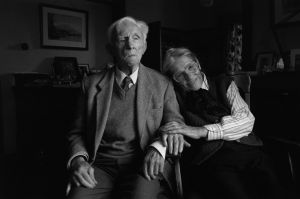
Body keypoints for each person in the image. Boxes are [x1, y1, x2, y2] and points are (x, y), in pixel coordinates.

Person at [66, 17, 185, 199]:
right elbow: (77, 132)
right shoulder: (89, 85)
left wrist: (157, 148)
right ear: (110, 49)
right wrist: (78, 160)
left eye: (136, 38)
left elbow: (174, 123)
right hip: (100, 166)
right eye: (122, 39)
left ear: (144, 46)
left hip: (142, 163)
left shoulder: (162, 84)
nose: (130, 45)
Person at [160, 47, 286, 199]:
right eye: (180, 74)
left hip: (246, 148)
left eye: (190, 67)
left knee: (271, 182)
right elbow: (169, 122)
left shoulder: (224, 83)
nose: (188, 75)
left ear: (198, 64)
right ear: (174, 79)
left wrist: (202, 131)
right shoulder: (174, 97)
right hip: (211, 157)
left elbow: (246, 120)